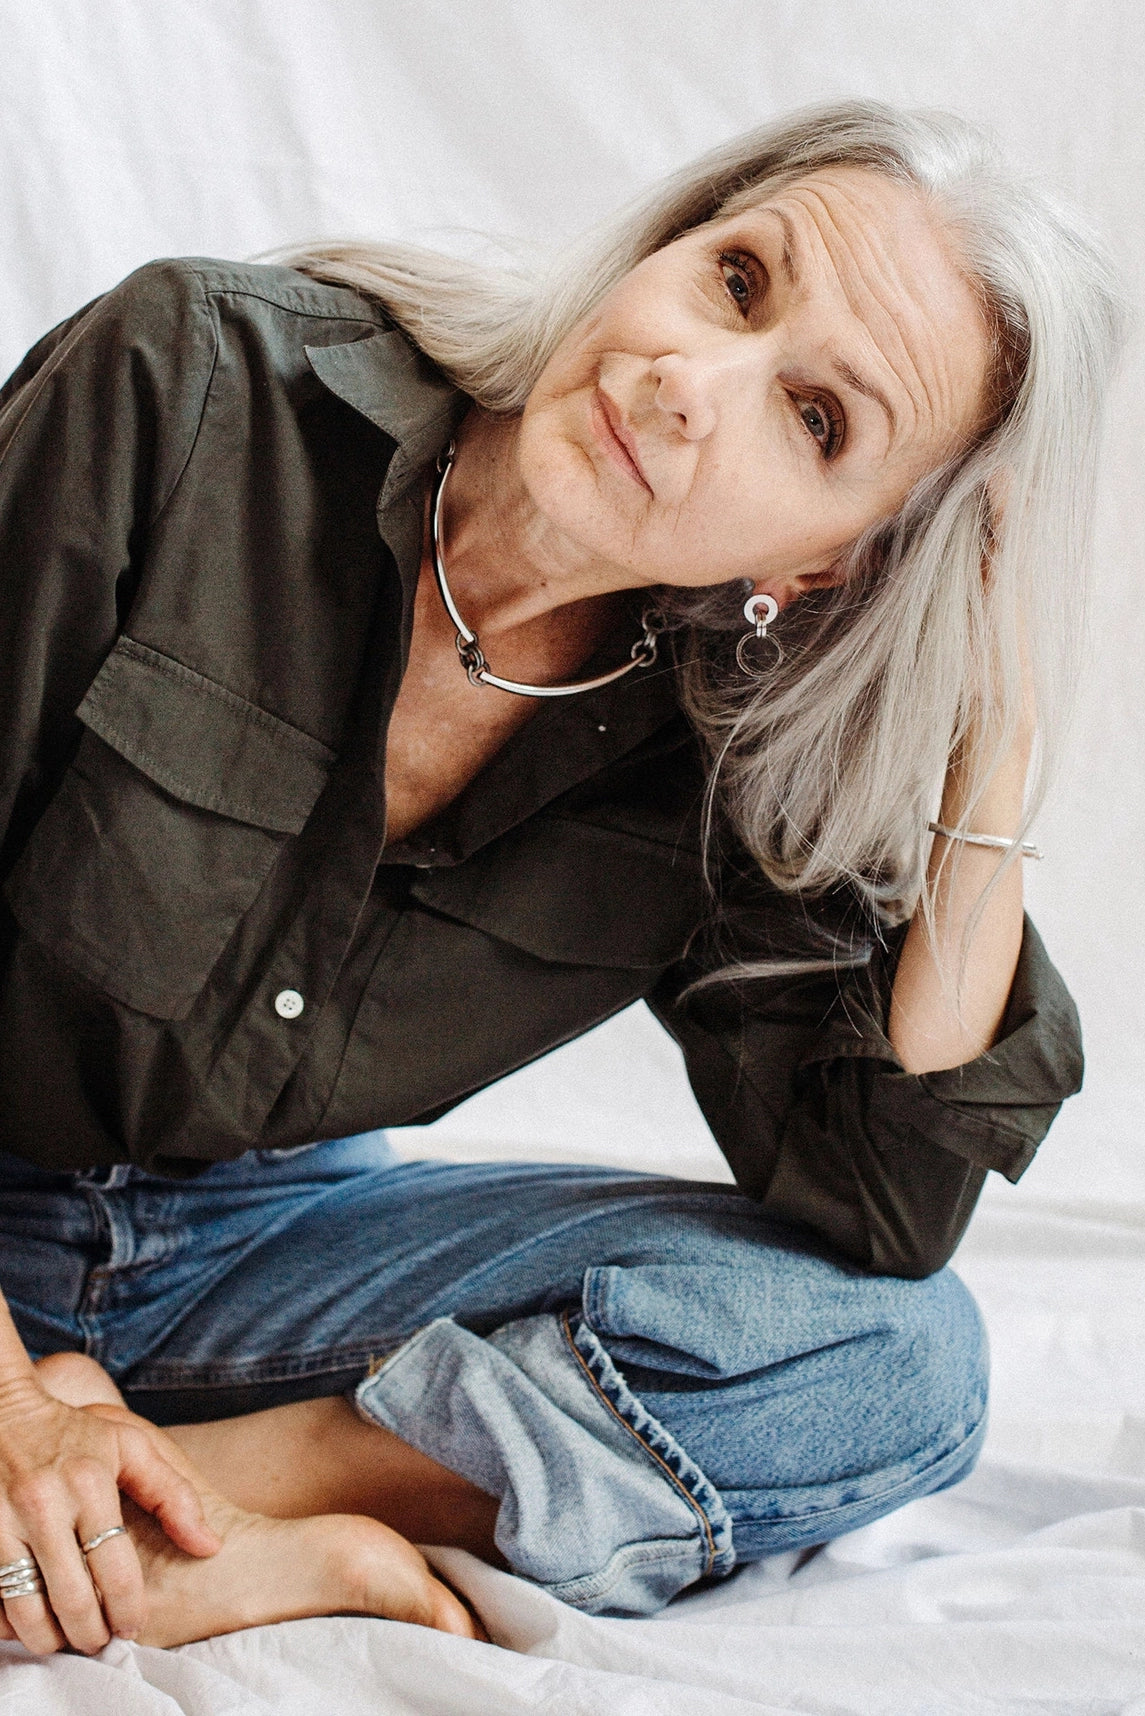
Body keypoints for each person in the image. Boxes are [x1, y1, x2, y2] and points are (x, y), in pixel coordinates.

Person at [0, 99, 1122, 1655]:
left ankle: (208, 1516)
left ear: (831, 559)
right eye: (736, 282)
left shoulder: (724, 747)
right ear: (665, 244)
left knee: (893, 1365)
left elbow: (881, 1201)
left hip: (249, 1261)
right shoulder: (193, 383)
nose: (686, 386)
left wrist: (984, 744)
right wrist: (10, 1405)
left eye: (816, 422)